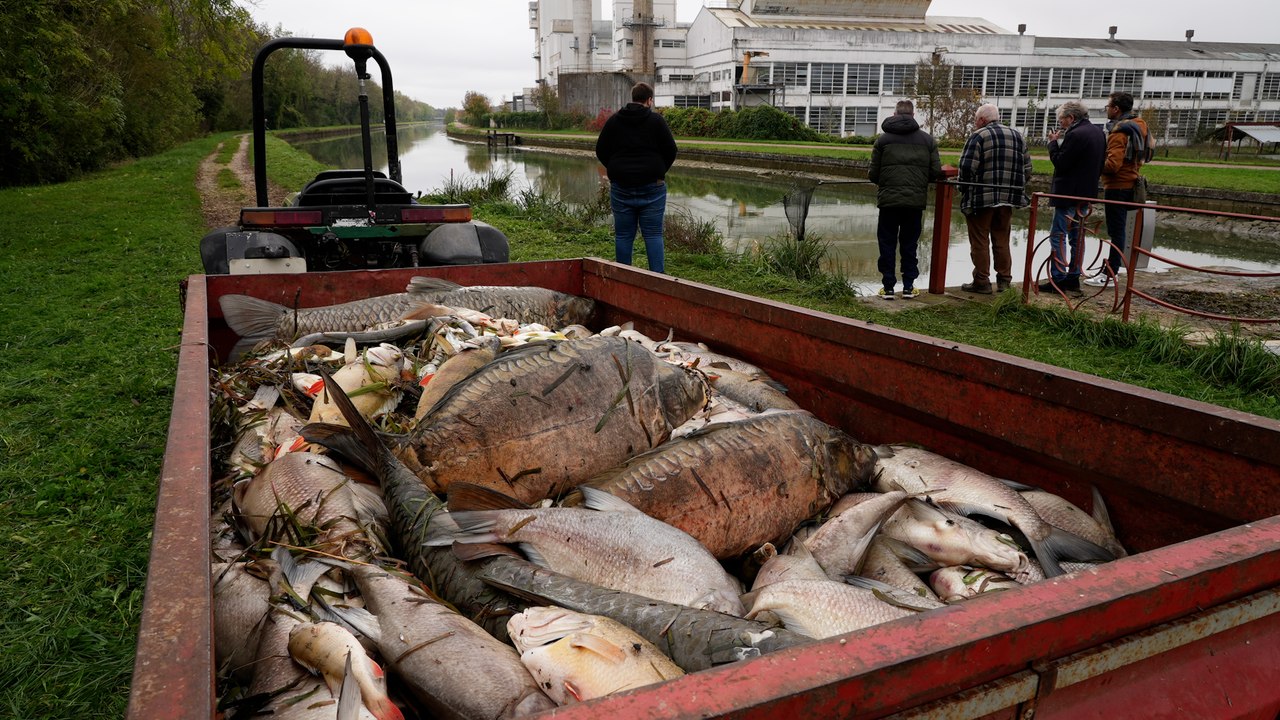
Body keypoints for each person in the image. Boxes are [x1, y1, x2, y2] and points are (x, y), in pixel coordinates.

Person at [594, 82, 678, 273]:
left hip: (621, 187)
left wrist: (616, 168)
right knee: (653, 234)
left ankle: (624, 278)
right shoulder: (657, 121)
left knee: (623, 235)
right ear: (649, 100)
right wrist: (658, 170)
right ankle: (657, 279)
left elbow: (601, 150)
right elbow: (671, 150)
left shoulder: (614, 121)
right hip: (653, 188)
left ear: (632, 98)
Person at [868, 100, 945, 300]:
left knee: (887, 243)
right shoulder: (927, 141)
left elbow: (873, 174)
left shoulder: (882, 141)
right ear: (913, 114)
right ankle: (909, 286)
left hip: (888, 202)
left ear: (894, 114)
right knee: (910, 244)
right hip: (914, 202)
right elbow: (936, 171)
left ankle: (888, 287)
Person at [957, 103, 1033, 294]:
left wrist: (964, 189)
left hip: (982, 199)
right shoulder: (1017, 136)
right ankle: (1004, 281)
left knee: (980, 240)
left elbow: (967, 168)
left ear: (982, 119)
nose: (975, 123)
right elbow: (1027, 169)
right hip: (1008, 199)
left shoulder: (978, 136)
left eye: (976, 120)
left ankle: (981, 281)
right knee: (1002, 239)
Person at [1085, 92, 1151, 287]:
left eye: (1108, 106)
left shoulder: (1119, 132)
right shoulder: (1140, 125)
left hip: (1117, 186)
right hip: (1132, 182)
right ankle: (1112, 270)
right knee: (1119, 230)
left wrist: (1094, 164)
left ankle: (1110, 273)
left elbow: (1112, 165)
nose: (1107, 110)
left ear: (1116, 109)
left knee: (1116, 231)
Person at [1042, 100, 1106, 294]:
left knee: (1058, 235)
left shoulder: (1075, 134)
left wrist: (1053, 143)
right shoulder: (1098, 133)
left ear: (1071, 118)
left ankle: (1059, 278)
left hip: (1068, 193)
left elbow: (1061, 162)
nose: (1060, 123)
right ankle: (1074, 276)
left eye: (1061, 119)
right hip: (1086, 193)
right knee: (1078, 237)